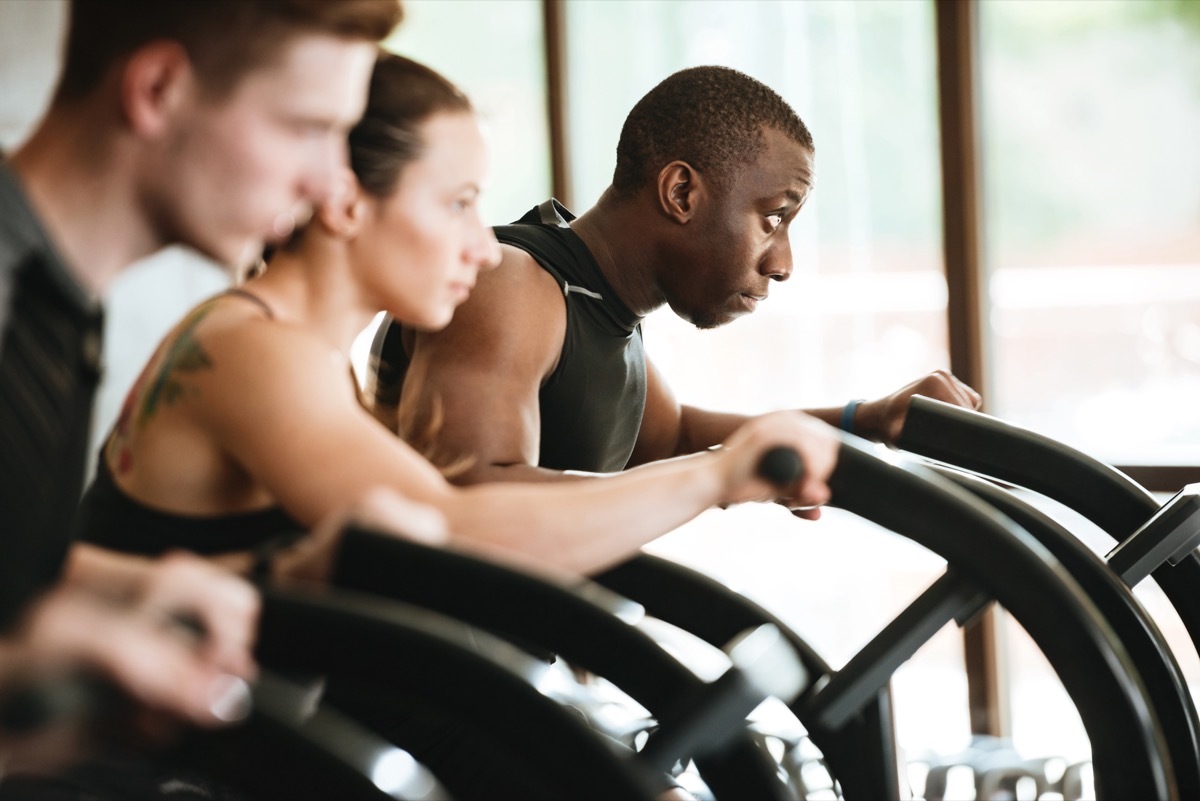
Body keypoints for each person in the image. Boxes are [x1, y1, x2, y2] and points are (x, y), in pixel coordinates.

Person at [71, 50, 837, 801]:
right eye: (456, 202)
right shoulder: (254, 350)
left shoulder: (302, 357)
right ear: (344, 204)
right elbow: (455, 528)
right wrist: (715, 475)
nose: (482, 243)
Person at [0, 0, 402, 784]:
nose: (333, 186)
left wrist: (203, 583)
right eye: (307, 128)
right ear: (156, 90)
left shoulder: (58, 298)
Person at [366, 65, 981, 500]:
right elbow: (478, 497)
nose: (783, 263)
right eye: (773, 219)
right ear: (681, 192)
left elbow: (672, 435)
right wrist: (716, 482)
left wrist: (867, 420)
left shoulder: (601, 305)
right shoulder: (511, 283)